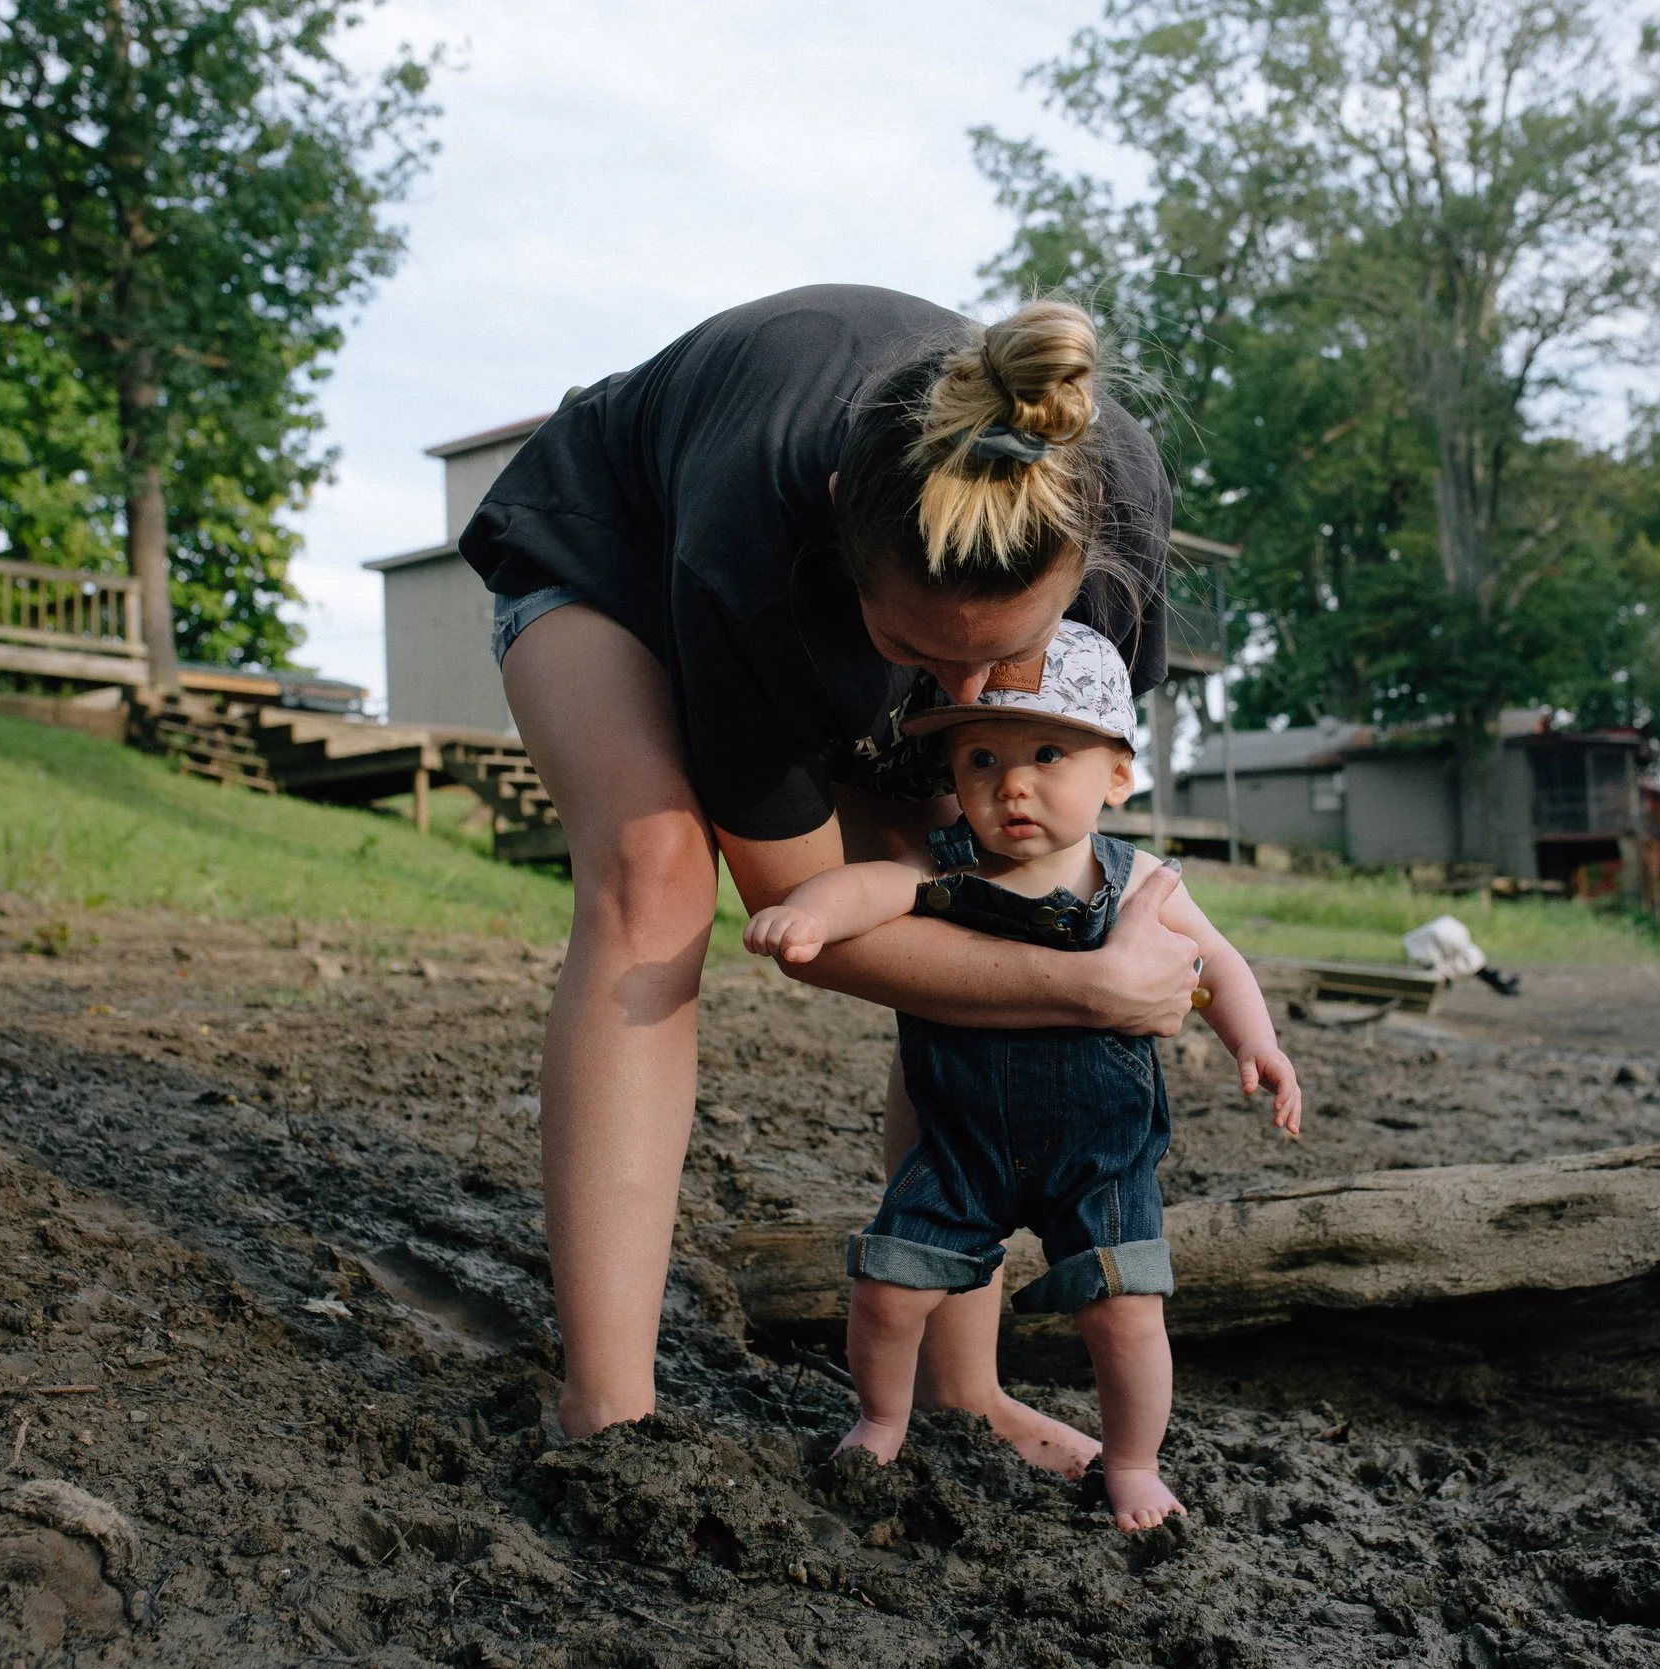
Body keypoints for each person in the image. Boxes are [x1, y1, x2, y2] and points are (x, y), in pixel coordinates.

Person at [460, 286, 1205, 1464]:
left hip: (836, 602)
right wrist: (1089, 989)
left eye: (1009, 652)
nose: (967, 697)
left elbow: (1018, 860)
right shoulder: (754, 532)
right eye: (919, 652)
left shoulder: (1108, 510)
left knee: (979, 899)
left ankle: (962, 1390)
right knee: (656, 874)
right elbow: (801, 918)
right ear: (841, 513)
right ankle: (607, 1416)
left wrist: (1054, 937)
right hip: (616, 552)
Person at [741, 622, 1303, 1531]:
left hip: (1100, 1159)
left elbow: (1221, 961)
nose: (1012, 784)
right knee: (887, 1288)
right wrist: (808, 910)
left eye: (1047, 755)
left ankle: (1132, 1463)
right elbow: (870, 886)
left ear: (1117, 774)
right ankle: (880, 1420)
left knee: (1127, 1313)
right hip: (962, 1146)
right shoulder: (944, 864)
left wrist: (1258, 1042)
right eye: (982, 760)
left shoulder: (1140, 880)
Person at [1402, 912, 1522, 996]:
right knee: (1472, 966)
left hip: (1449, 950)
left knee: (1475, 964)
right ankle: (1500, 984)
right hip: (1437, 953)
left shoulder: (1453, 935)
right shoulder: (1436, 938)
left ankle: (1500, 984)